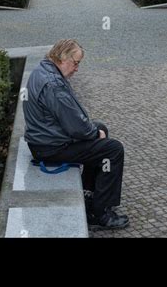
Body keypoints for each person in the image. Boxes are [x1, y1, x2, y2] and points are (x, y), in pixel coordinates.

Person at [23, 39, 129, 230]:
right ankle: (101, 213)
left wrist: (94, 130)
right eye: (76, 62)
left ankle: (89, 194)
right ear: (63, 58)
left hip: (44, 140)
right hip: (50, 147)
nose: (77, 68)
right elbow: (77, 128)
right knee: (113, 150)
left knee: (100, 128)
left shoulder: (43, 70)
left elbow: (72, 120)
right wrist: (94, 133)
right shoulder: (53, 84)